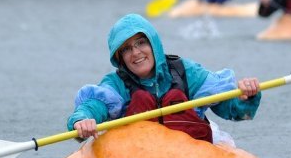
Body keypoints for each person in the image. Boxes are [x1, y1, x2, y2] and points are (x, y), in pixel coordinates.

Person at [68, 13, 262, 144]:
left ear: (154, 44)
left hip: (193, 155)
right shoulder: (116, 84)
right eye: (126, 49)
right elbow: (94, 104)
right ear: (119, 58)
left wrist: (246, 96)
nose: (136, 53)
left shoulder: (185, 72)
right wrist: (83, 120)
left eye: (141, 43)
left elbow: (230, 108)